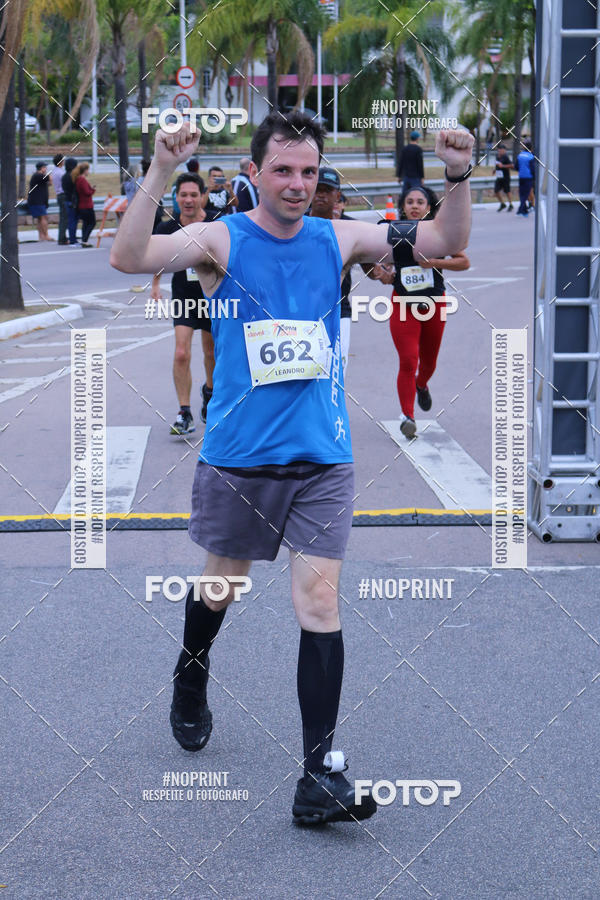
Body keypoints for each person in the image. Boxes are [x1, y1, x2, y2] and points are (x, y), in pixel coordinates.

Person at [110, 111, 473, 826]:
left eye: (309, 171)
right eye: (283, 170)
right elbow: (129, 257)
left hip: (321, 459)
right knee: (221, 588)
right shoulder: (222, 239)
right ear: (256, 173)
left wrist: (457, 174)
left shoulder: (338, 237)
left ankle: (317, 778)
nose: (298, 184)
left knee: (319, 605)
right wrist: (159, 168)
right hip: (241, 458)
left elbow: (442, 241)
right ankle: (191, 674)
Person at [367, 186, 470, 440]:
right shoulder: (394, 232)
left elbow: (463, 262)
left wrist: (434, 262)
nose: (414, 206)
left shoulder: (439, 232)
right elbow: (378, 265)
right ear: (403, 207)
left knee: (428, 363)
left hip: (434, 304)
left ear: (429, 207)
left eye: (420, 202)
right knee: (408, 360)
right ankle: (407, 417)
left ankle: (421, 384)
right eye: (410, 202)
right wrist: (383, 273)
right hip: (403, 304)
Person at [150, 172, 214, 434]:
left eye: (193, 195)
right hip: (184, 297)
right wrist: (155, 285)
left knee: (211, 352)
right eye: (183, 195)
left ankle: (210, 393)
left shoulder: (216, 224)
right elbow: (158, 258)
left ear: (202, 196)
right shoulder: (168, 228)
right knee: (181, 352)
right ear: (176, 198)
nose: (188, 200)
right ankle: (184, 412)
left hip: (213, 298)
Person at [309, 168, 353, 371]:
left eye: (327, 190)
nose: (321, 195)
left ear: (338, 195)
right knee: (307, 373)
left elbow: (374, 270)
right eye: (317, 189)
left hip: (339, 309)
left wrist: (384, 273)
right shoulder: (293, 225)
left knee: (337, 371)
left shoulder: (350, 229)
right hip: (303, 310)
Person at [72, 162, 96, 247]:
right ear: (85, 170)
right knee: (92, 222)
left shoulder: (78, 179)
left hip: (81, 205)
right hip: (86, 205)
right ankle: (85, 240)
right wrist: (93, 190)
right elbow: (87, 192)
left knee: (86, 223)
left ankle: (83, 240)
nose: (88, 172)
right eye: (88, 170)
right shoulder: (82, 180)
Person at [28, 162, 52, 241]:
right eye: (45, 167)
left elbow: (49, 184)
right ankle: (46, 235)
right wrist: (49, 174)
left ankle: (41, 236)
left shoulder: (39, 177)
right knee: (44, 217)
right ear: (42, 168)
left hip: (39, 201)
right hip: (37, 201)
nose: (46, 169)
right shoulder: (38, 175)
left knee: (40, 219)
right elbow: (49, 178)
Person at [396, 130, 424, 194]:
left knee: (405, 196)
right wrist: (422, 178)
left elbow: (401, 163)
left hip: (406, 177)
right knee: (415, 195)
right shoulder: (418, 149)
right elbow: (420, 165)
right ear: (417, 138)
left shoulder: (405, 149)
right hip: (416, 178)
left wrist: (399, 176)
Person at [51, 154, 68, 244]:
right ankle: (62, 238)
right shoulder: (61, 173)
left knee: (63, 217)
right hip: (63, 195)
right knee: (64, 218)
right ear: (61, 162)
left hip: (59, 195)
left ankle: (62, 237)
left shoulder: (54, 171)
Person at [515, 139, 535, 217]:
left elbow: (516, 167)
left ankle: (524, 210)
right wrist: (534, 177)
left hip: (521, 177)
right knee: (526, 194)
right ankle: (521, 210)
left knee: (522, 193)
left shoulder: (520, 155)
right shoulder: (531, 157)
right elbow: (533, 169)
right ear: (531, 148)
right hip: (528, 177)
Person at [493, 144, 513, 212]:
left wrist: (503, 166)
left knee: (507, 191)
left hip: (506, 177)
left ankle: (511, 204)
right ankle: (502, 204)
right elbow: (497, 164)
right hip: (499, 177)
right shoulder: (497, 156)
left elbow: (512, 165)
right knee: (496, 190)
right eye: (498, 150)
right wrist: (495, 170)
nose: (499, 151)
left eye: (501, 150)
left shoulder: (506, 157)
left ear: (504, 150)